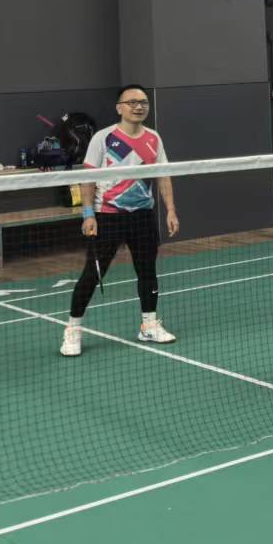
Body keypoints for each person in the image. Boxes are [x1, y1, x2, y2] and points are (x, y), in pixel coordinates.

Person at [60, 85, 180, 357]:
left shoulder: (153, 138)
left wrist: (170, 210)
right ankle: (73, 329)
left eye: (143, 102)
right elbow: (88, 178)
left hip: (142, 216)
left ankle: (149, 324)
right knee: (92, 274)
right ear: (119, 107)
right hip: (108, 216)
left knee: (147, 271)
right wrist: (88, 214)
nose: (139, 107)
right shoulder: (103, 138)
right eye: (132, 102)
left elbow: (163, 174)